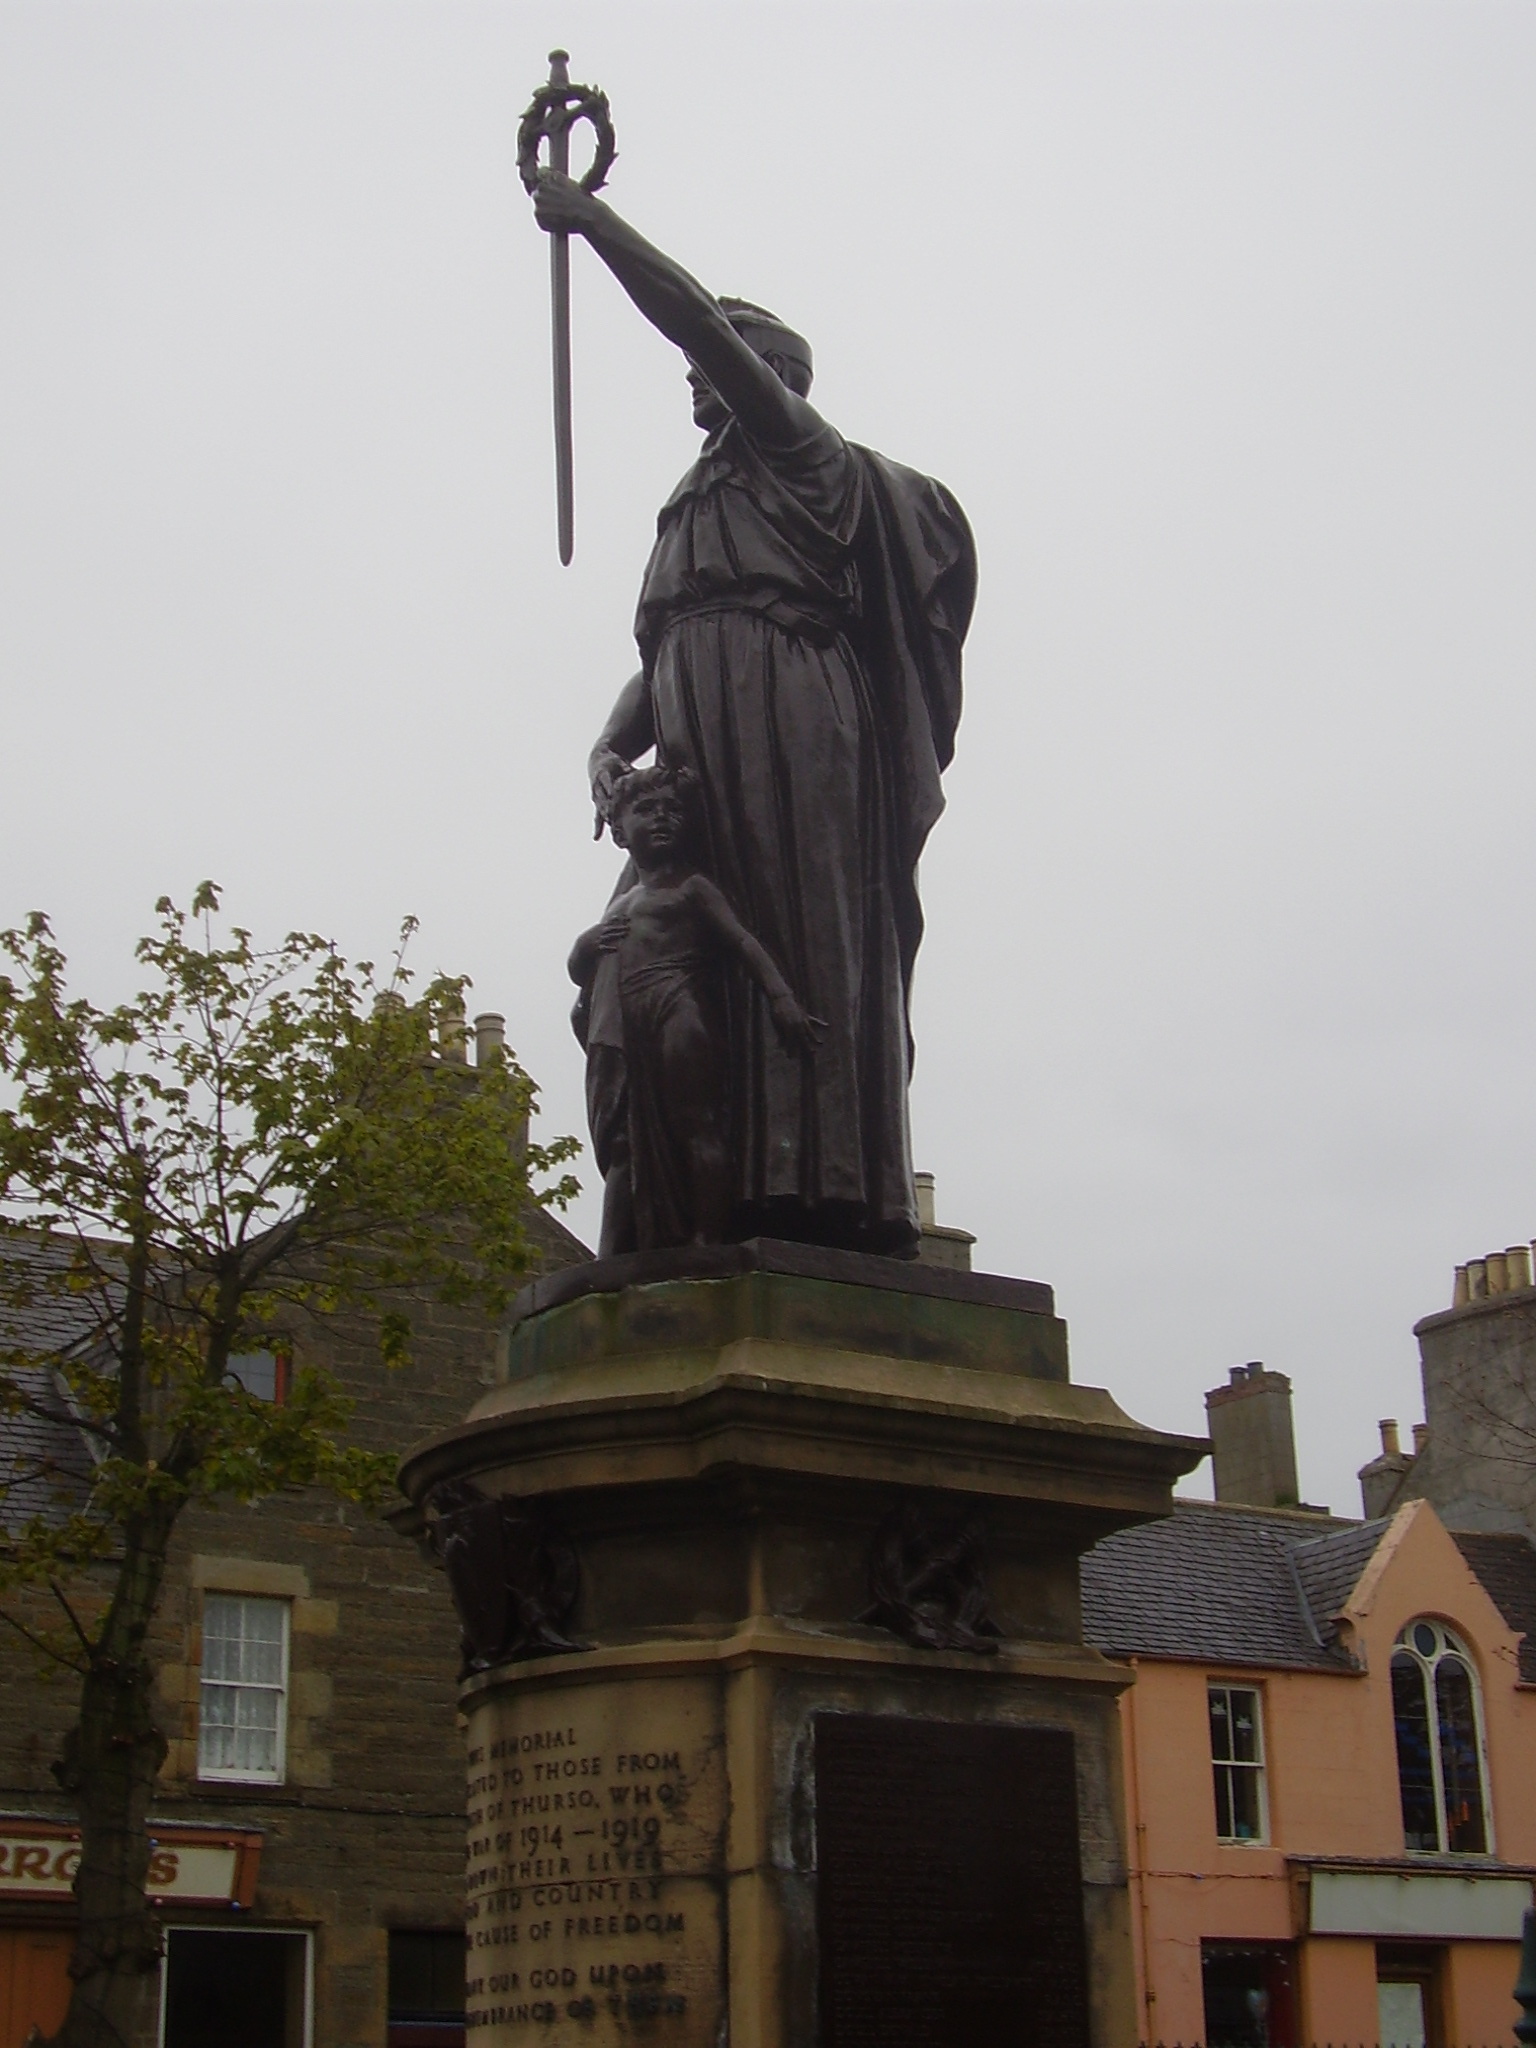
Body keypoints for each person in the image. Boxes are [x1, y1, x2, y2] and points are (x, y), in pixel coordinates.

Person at [535, 170, 975, 1258]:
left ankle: (812, 1188)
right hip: (695, 737)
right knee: (631, 958)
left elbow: (683, 308)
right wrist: (606, 743)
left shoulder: (800, 451)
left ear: (770, 374)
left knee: (793, 934)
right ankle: (671, 1204)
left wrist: (592, 224)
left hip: (789, 720)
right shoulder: (698, 494)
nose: (696, 367)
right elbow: (671, 634)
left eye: (720, 353)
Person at [569, 765, 822, 1254]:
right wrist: (588, 942)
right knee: (624, 1143)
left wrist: (781, 998)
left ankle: (708, 1237)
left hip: (679, 1010)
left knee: (696, 1124)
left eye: (673, 809)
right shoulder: (621, 905)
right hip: (626, 1023)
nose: (661, 818)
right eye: (646, 809)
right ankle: (614, 1251)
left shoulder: (692, 888)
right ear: (619, 830)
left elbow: (742, 942)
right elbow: (580, 967)